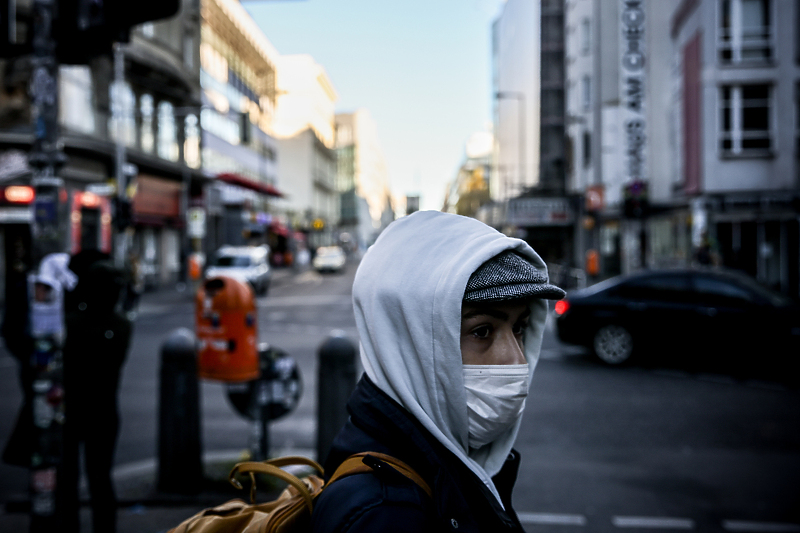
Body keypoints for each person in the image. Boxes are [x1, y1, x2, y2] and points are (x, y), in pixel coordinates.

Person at [311, 211, 565, 532]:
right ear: (410, 340)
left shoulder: (452, 459)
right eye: (482, 331)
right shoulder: (384, 515)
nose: (515, 359)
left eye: (519, 328)